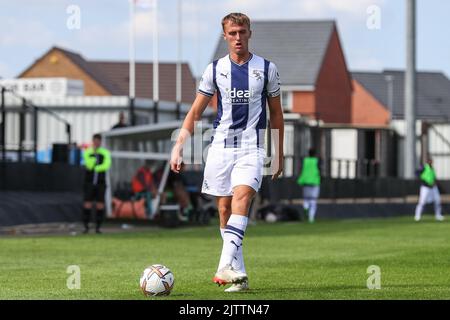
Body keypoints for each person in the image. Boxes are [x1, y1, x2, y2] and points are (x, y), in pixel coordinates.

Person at [170, 12, 284, 293]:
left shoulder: (267, 68)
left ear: (249, 33)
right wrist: (178, 146)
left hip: (251, 147)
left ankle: (223, 265)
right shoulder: (214, 70)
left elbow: (277, 113)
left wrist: (279, 152)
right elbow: (195, 111)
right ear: (225, 36)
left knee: (242, 198)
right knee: (223, 209)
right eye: (232, 33)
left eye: (242, 32)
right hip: (221, 146)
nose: (237, 38)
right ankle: (239, 274)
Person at [82, 133, 112, 233]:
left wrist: (96, 167)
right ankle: (86, 227)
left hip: (100, 183)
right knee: (87, 203)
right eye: (95, 140)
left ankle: (98, 227)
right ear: (93, 141)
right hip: (89, 182)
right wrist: (94, 160)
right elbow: (88, 164)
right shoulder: (88, 152)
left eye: (98, 141)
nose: (97, 143)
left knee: (100, 204)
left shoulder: (104, 152)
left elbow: (106, 165)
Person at [414, 157, 444, 222]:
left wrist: (434, 182)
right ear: (427, 162)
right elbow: (417, 173)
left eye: (432, 161)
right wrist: (424, 180)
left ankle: (438, 215)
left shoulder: (432, 168)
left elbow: (433, 177)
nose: (431, 162)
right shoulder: (424, 167)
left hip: (433, 187)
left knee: (437, 201)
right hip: (425, 187)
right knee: (422, 202)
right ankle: (417, 216)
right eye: (430, 161)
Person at [297, 148, 321, 223]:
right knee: (313, 200)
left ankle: (305, 207)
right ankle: (311, 218)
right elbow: (320, 170)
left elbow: (301, 170)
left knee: (306, 199)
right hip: (315, 182)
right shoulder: (317, 161)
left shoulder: (304, 161)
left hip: (306, 182)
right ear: (315, 154)